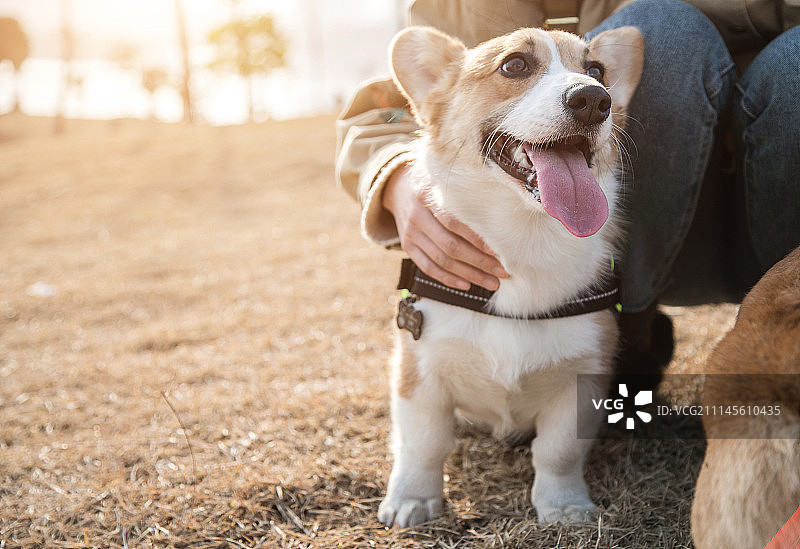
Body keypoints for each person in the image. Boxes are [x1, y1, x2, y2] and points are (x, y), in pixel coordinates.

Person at [335, 0, 800, 376]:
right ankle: (620, 339)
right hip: (635, 254)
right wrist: (395, 173)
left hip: (777, 216)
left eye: (595, 77)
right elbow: (392, 107)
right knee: (664, 29)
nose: (590, 89)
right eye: (517, 65)